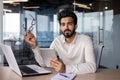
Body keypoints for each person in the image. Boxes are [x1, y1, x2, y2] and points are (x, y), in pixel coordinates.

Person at [24, 10, 96, 74]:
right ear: (60, 27)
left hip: (83, 77)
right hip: (63, 77)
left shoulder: (86, 40)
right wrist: (35, 45)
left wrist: (65, 68)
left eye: (69, 24)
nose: (66, 27)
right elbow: (44, 64)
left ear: (76, 26)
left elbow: (92, 66)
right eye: (63, 24)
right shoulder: (57, 41)